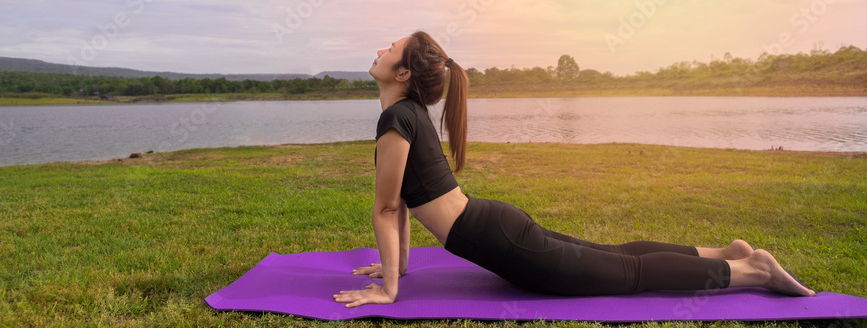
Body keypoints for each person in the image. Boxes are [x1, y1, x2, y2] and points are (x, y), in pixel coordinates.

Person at [333, 31, 815, 308]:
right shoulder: (407, 115)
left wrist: (389, 289)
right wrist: (397, 267)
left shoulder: (397, 118)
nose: (382, 46)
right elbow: (402, 203)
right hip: (494, 226)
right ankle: (723, 252)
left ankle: (750, 271)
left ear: (402, 74)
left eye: (391, 46)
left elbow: (388, 207)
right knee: (616, 255)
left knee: (628, 274)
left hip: (500, 239)